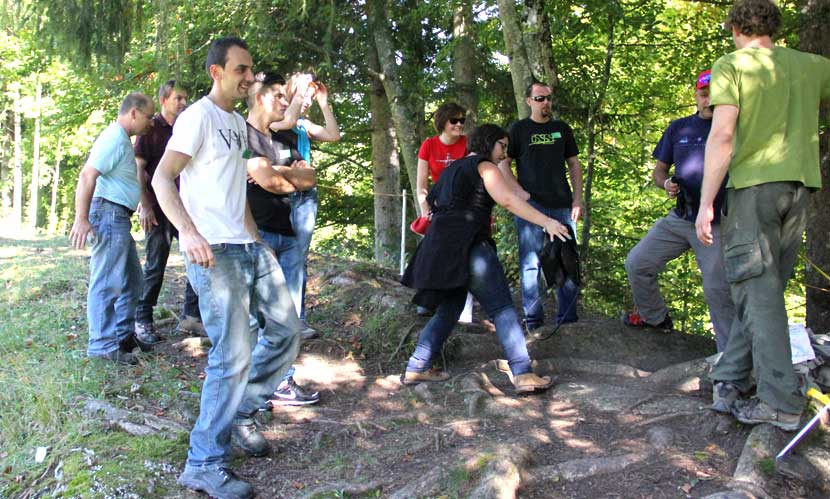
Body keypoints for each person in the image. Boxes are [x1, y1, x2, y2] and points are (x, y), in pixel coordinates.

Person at [152, 37, 302, 499]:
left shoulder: (237, 124)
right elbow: (161, 177)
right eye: (241, 69)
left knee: (286, 330)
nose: (249, 77)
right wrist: (189, 233)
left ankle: (241, 410)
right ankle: (203, 462)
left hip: (248, 246)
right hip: (214, 253)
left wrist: (257, 239)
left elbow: (233, 189)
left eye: (251, 69)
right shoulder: (197, 117)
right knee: (231, 355)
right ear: (217, 72)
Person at [696, 0, 830, 431]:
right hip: (800, 188)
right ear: (774, 27)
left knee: (758, 294)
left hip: (754, 189)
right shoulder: (811, 65)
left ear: (736, 28)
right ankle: (731, 377)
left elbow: (722, 135)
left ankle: (781, 402)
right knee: (763, 291)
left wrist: (705, 202)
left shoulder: (731, 65)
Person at [401, 124, 570, 394]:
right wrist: (547, 222)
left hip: (440, 249)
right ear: (488, 142)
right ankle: (523, 373)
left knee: (449, 309)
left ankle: (417, 366)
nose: (505, 153)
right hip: (468, 246)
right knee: (502, 307)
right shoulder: (485, 167)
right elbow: (508, 201)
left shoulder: (452, 170)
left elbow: (432, 206)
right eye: (502, 146)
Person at [623, 70, 736, 352]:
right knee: (638, 262)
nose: (708, 98)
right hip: (681, 217)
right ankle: (655, 318)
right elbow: (659, 171)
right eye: (703, 92)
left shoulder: (734, 127)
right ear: (696, 95)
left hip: (717, 223)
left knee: (717, 290)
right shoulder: (679, 128)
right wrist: (667, 183)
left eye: (714, 92)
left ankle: (731, 359)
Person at [245, 70, 320, 406]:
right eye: (279, 96)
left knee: (287, 317)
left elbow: (309, 179)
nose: (286, 102)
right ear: (261, 98)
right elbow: (270, 180)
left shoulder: (285, 138)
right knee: (256, 317)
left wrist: (276, 173)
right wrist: (282, 175)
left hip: (288, 234)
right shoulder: (240, 135)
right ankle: (251, 391)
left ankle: (282, 381)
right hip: (255, 234)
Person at [69, 92, 155, 365]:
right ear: (133, 112)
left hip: (118, 216)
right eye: (148, 116)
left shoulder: (122, 140)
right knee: (107, 281)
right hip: (108, 214)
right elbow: (87, 175)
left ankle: (123, 336)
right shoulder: (113, 138)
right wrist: (81, 218)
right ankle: (102, 347)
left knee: (133, 279)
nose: (150, 122)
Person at [498, 82, 584, 331]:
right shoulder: (519, 129)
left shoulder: (562, 129)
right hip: (531, 207)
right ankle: (533, 319)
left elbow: (574, 165)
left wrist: (577, 200)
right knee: (531, 262)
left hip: (562, 205)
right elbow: (504, 164)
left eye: (547, 98)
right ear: (528, 101)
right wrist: (518, 192)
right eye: (539, 98)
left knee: (567, 259)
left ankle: (568, 319)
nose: (545, 102)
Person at [269, 73, 341, 338]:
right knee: (277, 257)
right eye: (304, 94)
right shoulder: (277, 120)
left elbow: (333, 135)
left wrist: (324, 102)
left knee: (297, 258)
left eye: (310, 95)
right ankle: (277, 317)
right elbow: (286, 119)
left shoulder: (302, 124)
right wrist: (299, 91)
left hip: (305, 197)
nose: (307, 99)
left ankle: (296, 319)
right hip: (281, 196)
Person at [133, 80, 204, 345]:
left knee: (196, 258)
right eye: (178, 98)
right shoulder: (150, 129)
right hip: (159, 209)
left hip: (186, 207)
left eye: (186, 98)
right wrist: (146, 204)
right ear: (164, 100)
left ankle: (191, 315)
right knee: (155, 265)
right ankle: (142, 319)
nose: (184, 103)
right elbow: (139, 169)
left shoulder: (189, 127)